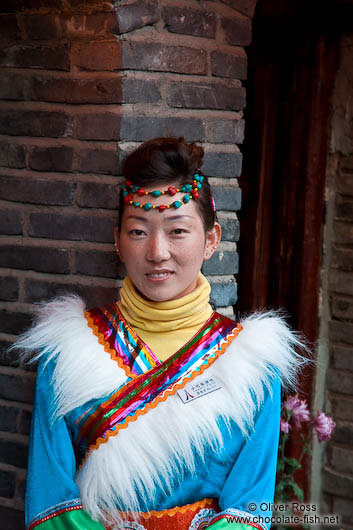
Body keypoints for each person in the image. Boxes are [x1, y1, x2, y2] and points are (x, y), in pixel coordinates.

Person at [14, 137, 306, 530]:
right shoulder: (68, 352)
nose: (157, 251)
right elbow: (51, 501)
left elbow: (249, 510)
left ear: (212, 240)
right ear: (117, 241)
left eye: (178, 231)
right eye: (138, 232)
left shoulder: (252, 365)